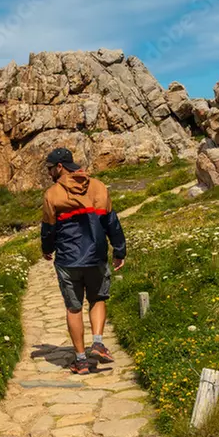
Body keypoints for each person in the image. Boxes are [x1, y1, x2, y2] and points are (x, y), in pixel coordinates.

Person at [40, 148, 126, 375]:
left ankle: (80, 360)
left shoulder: (52, 194)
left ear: (60, 167)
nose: (48, 172)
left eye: (50, 168)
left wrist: (47, 249)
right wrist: (119, 250)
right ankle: (97, 343)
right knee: (97, 298)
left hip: (68, 260)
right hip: (96, 256)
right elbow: (112, 222)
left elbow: (49, 229)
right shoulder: (98, 187)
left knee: (74, 307)